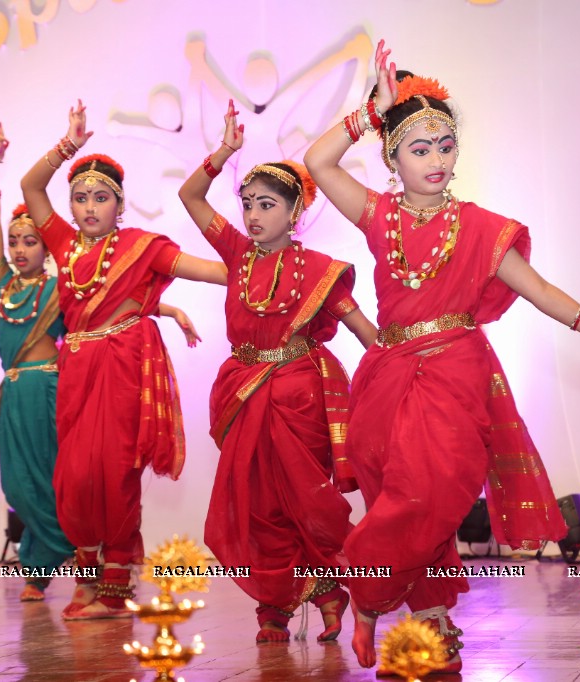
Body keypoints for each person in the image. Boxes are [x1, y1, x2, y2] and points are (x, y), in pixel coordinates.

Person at [303, 41, 580, 673]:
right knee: (403, 503)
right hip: (387, 380)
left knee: (431, 497)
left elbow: (541, 290)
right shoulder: (378, 215)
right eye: (419, 148)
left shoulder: (479, 226)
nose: (437, 159)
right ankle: (430, 629)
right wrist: (370, 113)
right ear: (392, 159)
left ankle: (365, 593)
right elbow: (318, 161)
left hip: (457, 373)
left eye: (445, 146)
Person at [178, 100, 377, 644]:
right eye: (248, 205)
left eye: (267, 205)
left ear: (295, 212)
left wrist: (404, 362)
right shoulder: (238, 254)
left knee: (312, 506)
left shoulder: (318, 272)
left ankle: (333, 594)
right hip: (243, 395)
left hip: (300, 399)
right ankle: (274, 611)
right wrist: (223, 154)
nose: (254, 215)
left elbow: (363, 330)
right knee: (260, 508)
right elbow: (189, 196)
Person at [21, 100, 226, 620]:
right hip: (77, 371)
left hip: (121, 369)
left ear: (120, 205)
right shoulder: (64, 246)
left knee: (112, 475)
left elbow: (206, 270)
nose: (90, 207)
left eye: (101, 198)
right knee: (74, 479)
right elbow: (29, 188)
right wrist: (69, 145)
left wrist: (255, 262)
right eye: (81, 198)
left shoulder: (139, 247)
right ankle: (87, 579)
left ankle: (113, 587)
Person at [0, 123, 74, 602]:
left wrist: (170, 309)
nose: (19, 249)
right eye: (16, 242)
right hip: (13, 393)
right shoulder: (2, 285)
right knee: (17, 485)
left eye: (30, 241)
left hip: (46, 391)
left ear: (47, 248)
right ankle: (60, 551)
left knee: (48, 475)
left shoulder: (58, 290)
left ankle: (44, 566)